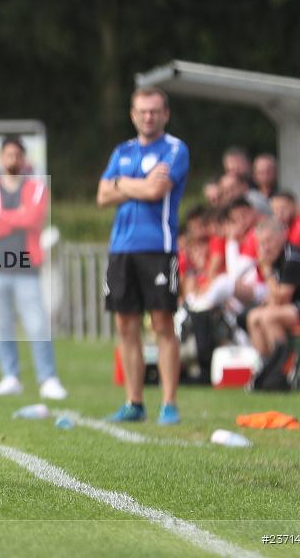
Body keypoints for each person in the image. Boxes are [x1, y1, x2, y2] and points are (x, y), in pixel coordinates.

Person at [96, 86, 189, 425]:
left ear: (165, 114)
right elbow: (102, 196)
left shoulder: (176, 149)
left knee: (163, 324)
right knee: (125, 325)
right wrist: (130, 183)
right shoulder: (122, 150)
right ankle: (134, 402)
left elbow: (156, 191)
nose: (148, 116)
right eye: (142, 111)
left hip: (158, 248)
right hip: (121, 248)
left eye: (155, 111)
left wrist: (120, 184)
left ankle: (169, 403)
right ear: (133, 115)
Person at [0, 135, 67, 400]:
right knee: (2, 325)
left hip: (26, 268)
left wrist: (1, 218)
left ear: (24, 159)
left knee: (37, 325)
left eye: (17, 155)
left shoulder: (36, 189)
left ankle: (48, 378)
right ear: (1, 158)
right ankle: (10, 376)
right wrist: (15, 218)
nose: (13, 160)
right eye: (8, 155)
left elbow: (34, 219)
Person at [246, 218, 300, 388]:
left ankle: (282, 371)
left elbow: (282, 298)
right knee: (254, 316)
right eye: (261, 243)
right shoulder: (277, 260)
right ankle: (266, 367)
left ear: (282, 237)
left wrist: (267, 272)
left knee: (270, 317)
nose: (265, 247)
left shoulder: (294, 258)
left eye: (269, 241)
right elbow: (275, 298)